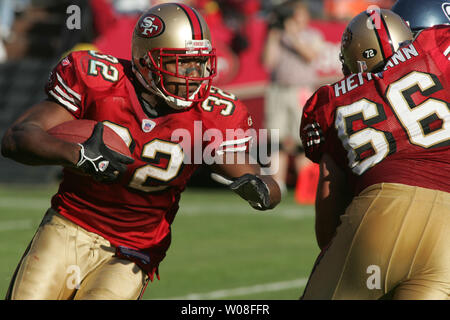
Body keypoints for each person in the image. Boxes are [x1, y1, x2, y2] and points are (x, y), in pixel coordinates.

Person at [1, 2, 281, 300]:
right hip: (69, 226)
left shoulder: (212, 114)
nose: (194, 74)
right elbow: (17, 138)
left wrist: (262, 189)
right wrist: (76, 153)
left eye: (200, 63)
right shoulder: (99, 81)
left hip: (133, 252)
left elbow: (258, 178)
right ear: (146, 62)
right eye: (182, 62)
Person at [299, 6, 450, 299]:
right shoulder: (437, 51)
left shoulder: (330, 102)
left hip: (383, 214)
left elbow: (331, 194)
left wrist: (339, 252)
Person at [262, 0, 324, 195]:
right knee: (276, 139)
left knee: (302, 140)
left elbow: (310, 55)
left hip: (300, 90)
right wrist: (274, 35)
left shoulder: (312, 35)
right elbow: (267, 61)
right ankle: (276, 182)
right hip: (278, 89)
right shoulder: (278, 35)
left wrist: (292, 34)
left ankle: (305, 182)